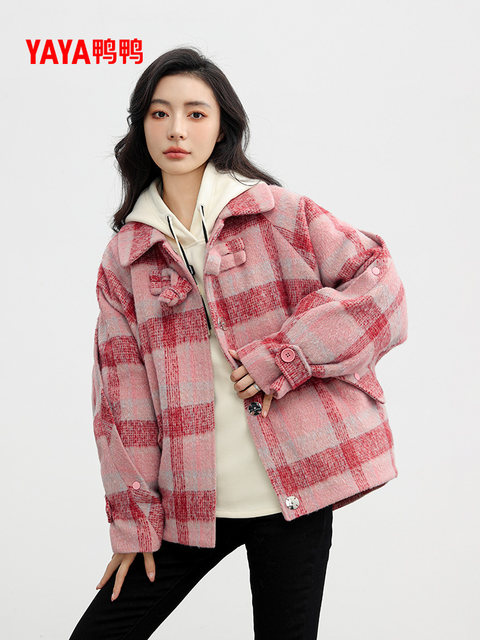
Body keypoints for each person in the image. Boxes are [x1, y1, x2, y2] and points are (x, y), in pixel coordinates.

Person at [68, 46, 408, 640]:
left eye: (196, 113)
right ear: (140, 126)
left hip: (295, 493)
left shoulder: (282, 215)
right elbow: (122, 404)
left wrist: (288, 355)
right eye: (159, 113)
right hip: (189, 504)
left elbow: (381, 286)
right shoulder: (126, 259)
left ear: (222, 125)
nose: (177, 129)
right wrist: (135, 523)